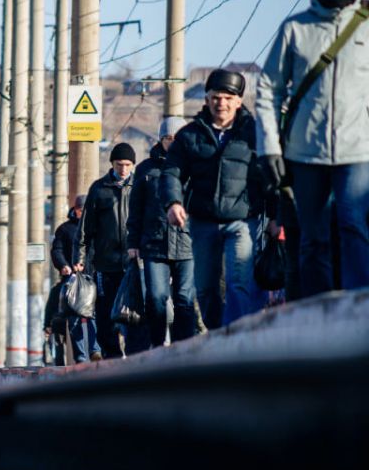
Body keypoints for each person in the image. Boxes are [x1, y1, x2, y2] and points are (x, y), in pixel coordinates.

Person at [255, 0, 369, 296]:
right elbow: (268, 88)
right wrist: (270, 148)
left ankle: (358, 303)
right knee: (312, 237)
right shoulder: (296, 28)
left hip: (357, 149)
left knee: (354, 226)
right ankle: (317, 307)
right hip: (305, 152)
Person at [162, 69, 268, 329]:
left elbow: (269, 176)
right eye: (216, 97)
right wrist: (173, 202)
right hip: (203, 221)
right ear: (207, 99)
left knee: (239, 282)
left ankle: (238, 338)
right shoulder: (190, 136)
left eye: (228, 98)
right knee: (206, 288)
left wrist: (276, 216)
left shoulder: (254, 133)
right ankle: (218, 332)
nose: (222, 103)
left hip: (242, 220)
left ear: (239, 101)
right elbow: (172, 172)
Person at [127, 117, 197, 348]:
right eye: (169, 138)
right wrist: (133, 242)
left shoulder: (194, 166)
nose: (173, 142)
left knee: (185, 300)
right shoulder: (145, 170)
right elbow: (135, 209)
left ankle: (184, 349)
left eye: (178, 138)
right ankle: (157, 346)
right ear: (161, 139)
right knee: (156, 299)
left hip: (187, 243)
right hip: (153, 243)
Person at [75, 143, 148, 358]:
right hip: (106, 265)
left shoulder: (140, 187)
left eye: (127, 165)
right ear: (112, 164)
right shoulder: (99, 189)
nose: (123, 169)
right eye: (119, 164)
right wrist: (79, 258)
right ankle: (112, 357)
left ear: (133, 165)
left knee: (136, 312)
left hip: (135, 263)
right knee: (105, 314)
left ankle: (137, 356)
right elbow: (85, 229)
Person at [52, 195, 100, 362]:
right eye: (82, 210)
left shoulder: (98, 227)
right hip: (72, 279)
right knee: (74, 318)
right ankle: (80, 356)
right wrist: (64, 265)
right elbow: (56, 250)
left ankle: (95, 350)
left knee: (94, 315)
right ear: (76, 210)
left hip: (93, 277)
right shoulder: (64, 229)